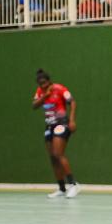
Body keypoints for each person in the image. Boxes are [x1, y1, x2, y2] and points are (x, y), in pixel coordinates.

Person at [32, 69, 79, 199]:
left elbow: (73, 102)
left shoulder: (60, 88)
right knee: (53, 157)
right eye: (40, 84)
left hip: (62, 124)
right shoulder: (40, 92)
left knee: (58, 154)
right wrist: (45, 96)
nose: (43, 86)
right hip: (49, 126)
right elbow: (34, 105)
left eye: (45, 83)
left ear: (49, 81)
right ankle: (62, 188)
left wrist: (72, 120)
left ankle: (73, 184)